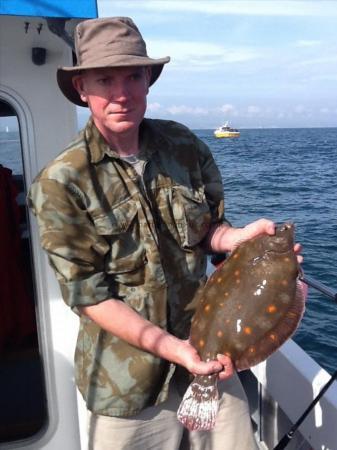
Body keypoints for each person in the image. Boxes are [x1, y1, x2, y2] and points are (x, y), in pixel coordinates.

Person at [28, 17, 302, 450]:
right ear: (82, 88)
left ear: (148, 80)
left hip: (210, 353)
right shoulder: (62, 182)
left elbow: (208, 229)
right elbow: (89, 295)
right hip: (127, 385)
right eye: (105, 79)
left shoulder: (183, 145)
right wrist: (175, 349)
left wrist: (235, 239)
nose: (122, 93)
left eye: (134, 76)